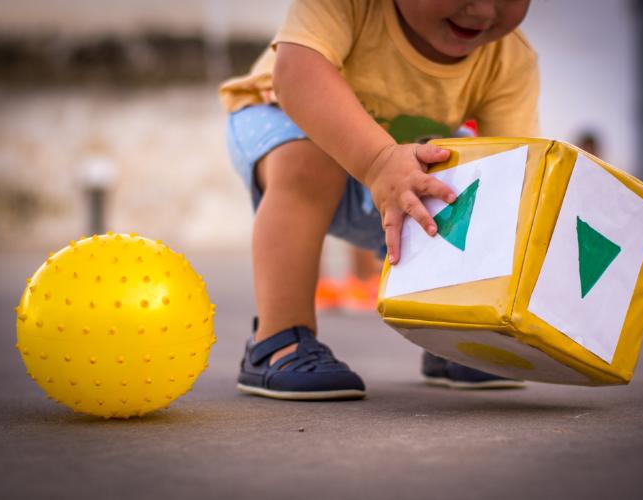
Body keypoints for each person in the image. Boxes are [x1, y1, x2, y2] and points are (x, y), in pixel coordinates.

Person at [220, 0, 538, 400]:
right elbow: (296, 74)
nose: (483, 9)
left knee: (475, 179)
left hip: (396, 178)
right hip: (285, 127)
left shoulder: (509, 57)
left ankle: (451, 334)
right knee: (308, 159)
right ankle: (278, 338)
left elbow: (511, 175)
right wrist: (378, 161)